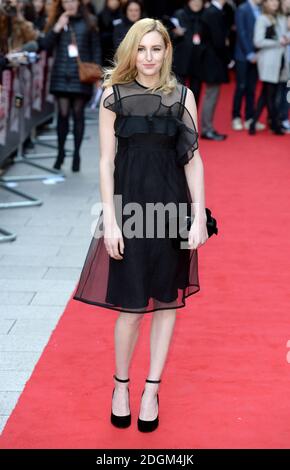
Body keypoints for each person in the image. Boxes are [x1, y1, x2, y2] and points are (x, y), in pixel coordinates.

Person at [73, 17, 208, 432]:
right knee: (131, 309)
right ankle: (121, 385)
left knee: (167, 305)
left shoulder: (182, 96)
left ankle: (152, 389)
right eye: (142, 49)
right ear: (132, 51)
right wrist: (109, 220)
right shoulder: (113, 95)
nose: (149, 57)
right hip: (130, 211)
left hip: (171, 210)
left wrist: (199, 213)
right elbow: (104, 162)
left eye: (157, 49)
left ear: (167, 51)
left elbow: (193, 158)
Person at [38, 0, 102, 171]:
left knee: (78, 114)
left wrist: (98, 76)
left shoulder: (90, 21)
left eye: (73, 0)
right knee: (63, 115)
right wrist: (57, 26)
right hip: (61, 75)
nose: (70, 4)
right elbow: (44, 45)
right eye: (66, 1)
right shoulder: (57, 21)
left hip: (81, 76)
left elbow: (96, 49)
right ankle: (60, 153)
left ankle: (76, 154)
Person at [249, 0, 290, 135]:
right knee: (269, 94)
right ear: (265, 3)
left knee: (266, 94)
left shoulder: (280, 18)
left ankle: (254, 123)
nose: (275, 4)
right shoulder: (262, 19)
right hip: (268, 61)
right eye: (271, 1)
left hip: (279, 61)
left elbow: (286, 35)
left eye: (276, 2)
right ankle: (275, 123)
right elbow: (258, 41)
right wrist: (279, 42)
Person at [232, 0, 266, 131]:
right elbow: (241, 33)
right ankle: (236, 117)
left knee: (252, 88)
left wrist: (257, 54)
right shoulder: (242, 9)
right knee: (241, 87)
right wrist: (250, 53)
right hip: (243, 55)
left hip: (258, 55)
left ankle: (250, 118)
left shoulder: (261, 8)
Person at [200, 0, 231, 141]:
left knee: (211, 95)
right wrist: (228, 57)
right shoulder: (213, 12)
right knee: (211, 95)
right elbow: (219, 41)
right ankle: (207, 129)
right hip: (214, 60)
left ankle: (208, 128)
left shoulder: (213, 11)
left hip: (212, 59)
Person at [171, 0, 205, 108]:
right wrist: (175, 33)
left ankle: (191, 119)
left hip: (199, 60)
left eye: (199, 1)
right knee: (178, 94)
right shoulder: (179, 14)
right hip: (181, 60)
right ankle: (177, 121)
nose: (197, 3)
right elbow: (169, 35)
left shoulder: (205, 15)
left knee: (195, 94)